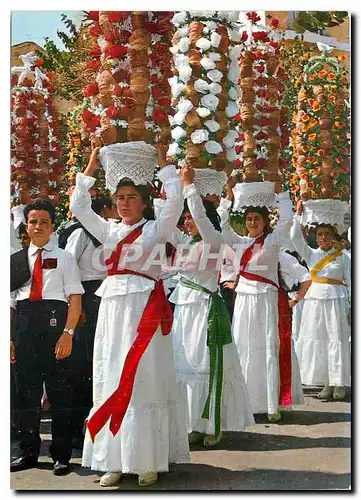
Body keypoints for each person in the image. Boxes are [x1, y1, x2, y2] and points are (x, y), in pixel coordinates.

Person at [69, 146, 189, 487]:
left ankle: (147, 460)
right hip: (113, 310)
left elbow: (175, 203)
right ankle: (114, 460)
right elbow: (79, 206)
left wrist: (166, 165)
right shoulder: (108, 230)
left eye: (131, 197)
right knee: (112, 374)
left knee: (145, 378)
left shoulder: (156, 230)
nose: (124, 203)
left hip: (145, 310)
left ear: (143, 201)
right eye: (119, 197)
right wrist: (91, 165)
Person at [166, 165, 254, 447]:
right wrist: (172, 180)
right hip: (183, 310)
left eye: (191, 218)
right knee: (184, 365)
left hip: (205, 309)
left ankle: (213, 425)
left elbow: (203, 218)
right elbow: (164, 218)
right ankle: (193, 423)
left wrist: (190, 187)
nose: (188, 222)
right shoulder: (184, 242)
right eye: (186, 219)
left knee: (207, 366)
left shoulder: (214, 240)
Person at [10, 199, 84, 475]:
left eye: (43, 222)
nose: (37, 227)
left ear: (52, 226)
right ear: (26, 226)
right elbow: (10, 305)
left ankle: (61, 455)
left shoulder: (64, 257)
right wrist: (9, 339)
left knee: (60, 393)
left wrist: (67, 334)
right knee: (26, 395)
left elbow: (74, 300)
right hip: (25, 327)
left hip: (55, 325)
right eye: (33, 222)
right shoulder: (16, 260)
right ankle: (28, 452)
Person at [217, 177, 299, 421]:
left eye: (257, 219)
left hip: (266, 299)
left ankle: (272, 405)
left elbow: (286, 219)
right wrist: (227, 198)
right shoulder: (240, 242)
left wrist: (281, 193)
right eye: (249, 219)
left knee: (267, 347)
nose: (253, 223)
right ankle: (248, 403)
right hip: (243, 299)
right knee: (245, 346)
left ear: (265, 222)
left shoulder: (273, 241)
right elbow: (221, 228)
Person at [63, 196, 113, 448]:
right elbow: (68, 267)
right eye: (112, 207)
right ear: (103, 210)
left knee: (102, 362)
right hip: (84, 299)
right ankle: (75, 430)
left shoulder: (113, 233)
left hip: (106, 297)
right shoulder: (80, 235)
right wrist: (76, 306)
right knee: (81, 365)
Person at [291, 203, 351, 400]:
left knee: (337, 340)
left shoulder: (344, 257)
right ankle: (326, 382)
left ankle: (339, 382)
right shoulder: (311, 254)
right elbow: (294, 238)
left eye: (326, 234)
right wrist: (298, 214)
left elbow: (351, 281)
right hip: (315, 301)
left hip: (337, 301)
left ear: (333, 235)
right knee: (321, 341)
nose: (323, 237)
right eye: (319, 234)